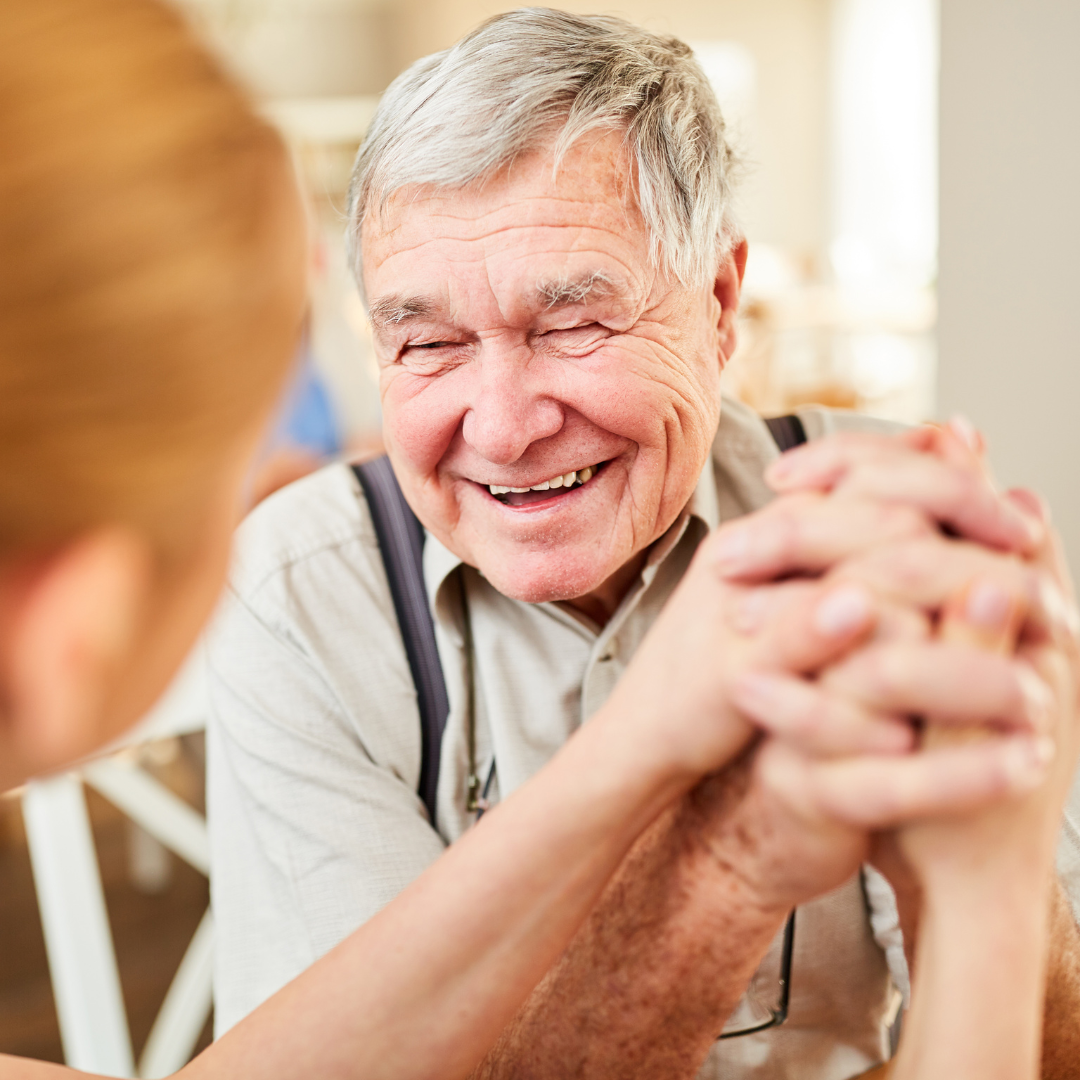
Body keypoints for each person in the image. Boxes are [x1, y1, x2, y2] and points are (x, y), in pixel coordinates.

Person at [3, 3, 1060, 1080]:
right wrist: (726, 860)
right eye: (425, 341)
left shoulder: (886, 523)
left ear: (719, 303)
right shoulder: (310, 586)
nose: (503, 428)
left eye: (574, 325)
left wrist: (981, 861)